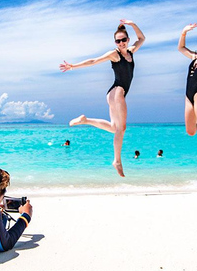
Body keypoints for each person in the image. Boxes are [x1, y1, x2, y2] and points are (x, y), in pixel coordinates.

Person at [60, 19, 146, 177]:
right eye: (118, 41)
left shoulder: (131, 51)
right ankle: (117, 161)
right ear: (115, 42)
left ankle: (85, 120)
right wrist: (73, 66)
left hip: (115, 93)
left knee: (114, 128)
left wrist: (133, 24)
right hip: (117, 91)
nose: (121, 43)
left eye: (123, 40)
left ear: (127, 40)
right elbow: (94, 61)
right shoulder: (115, 54)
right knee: (121, 129)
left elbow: (142, 38)